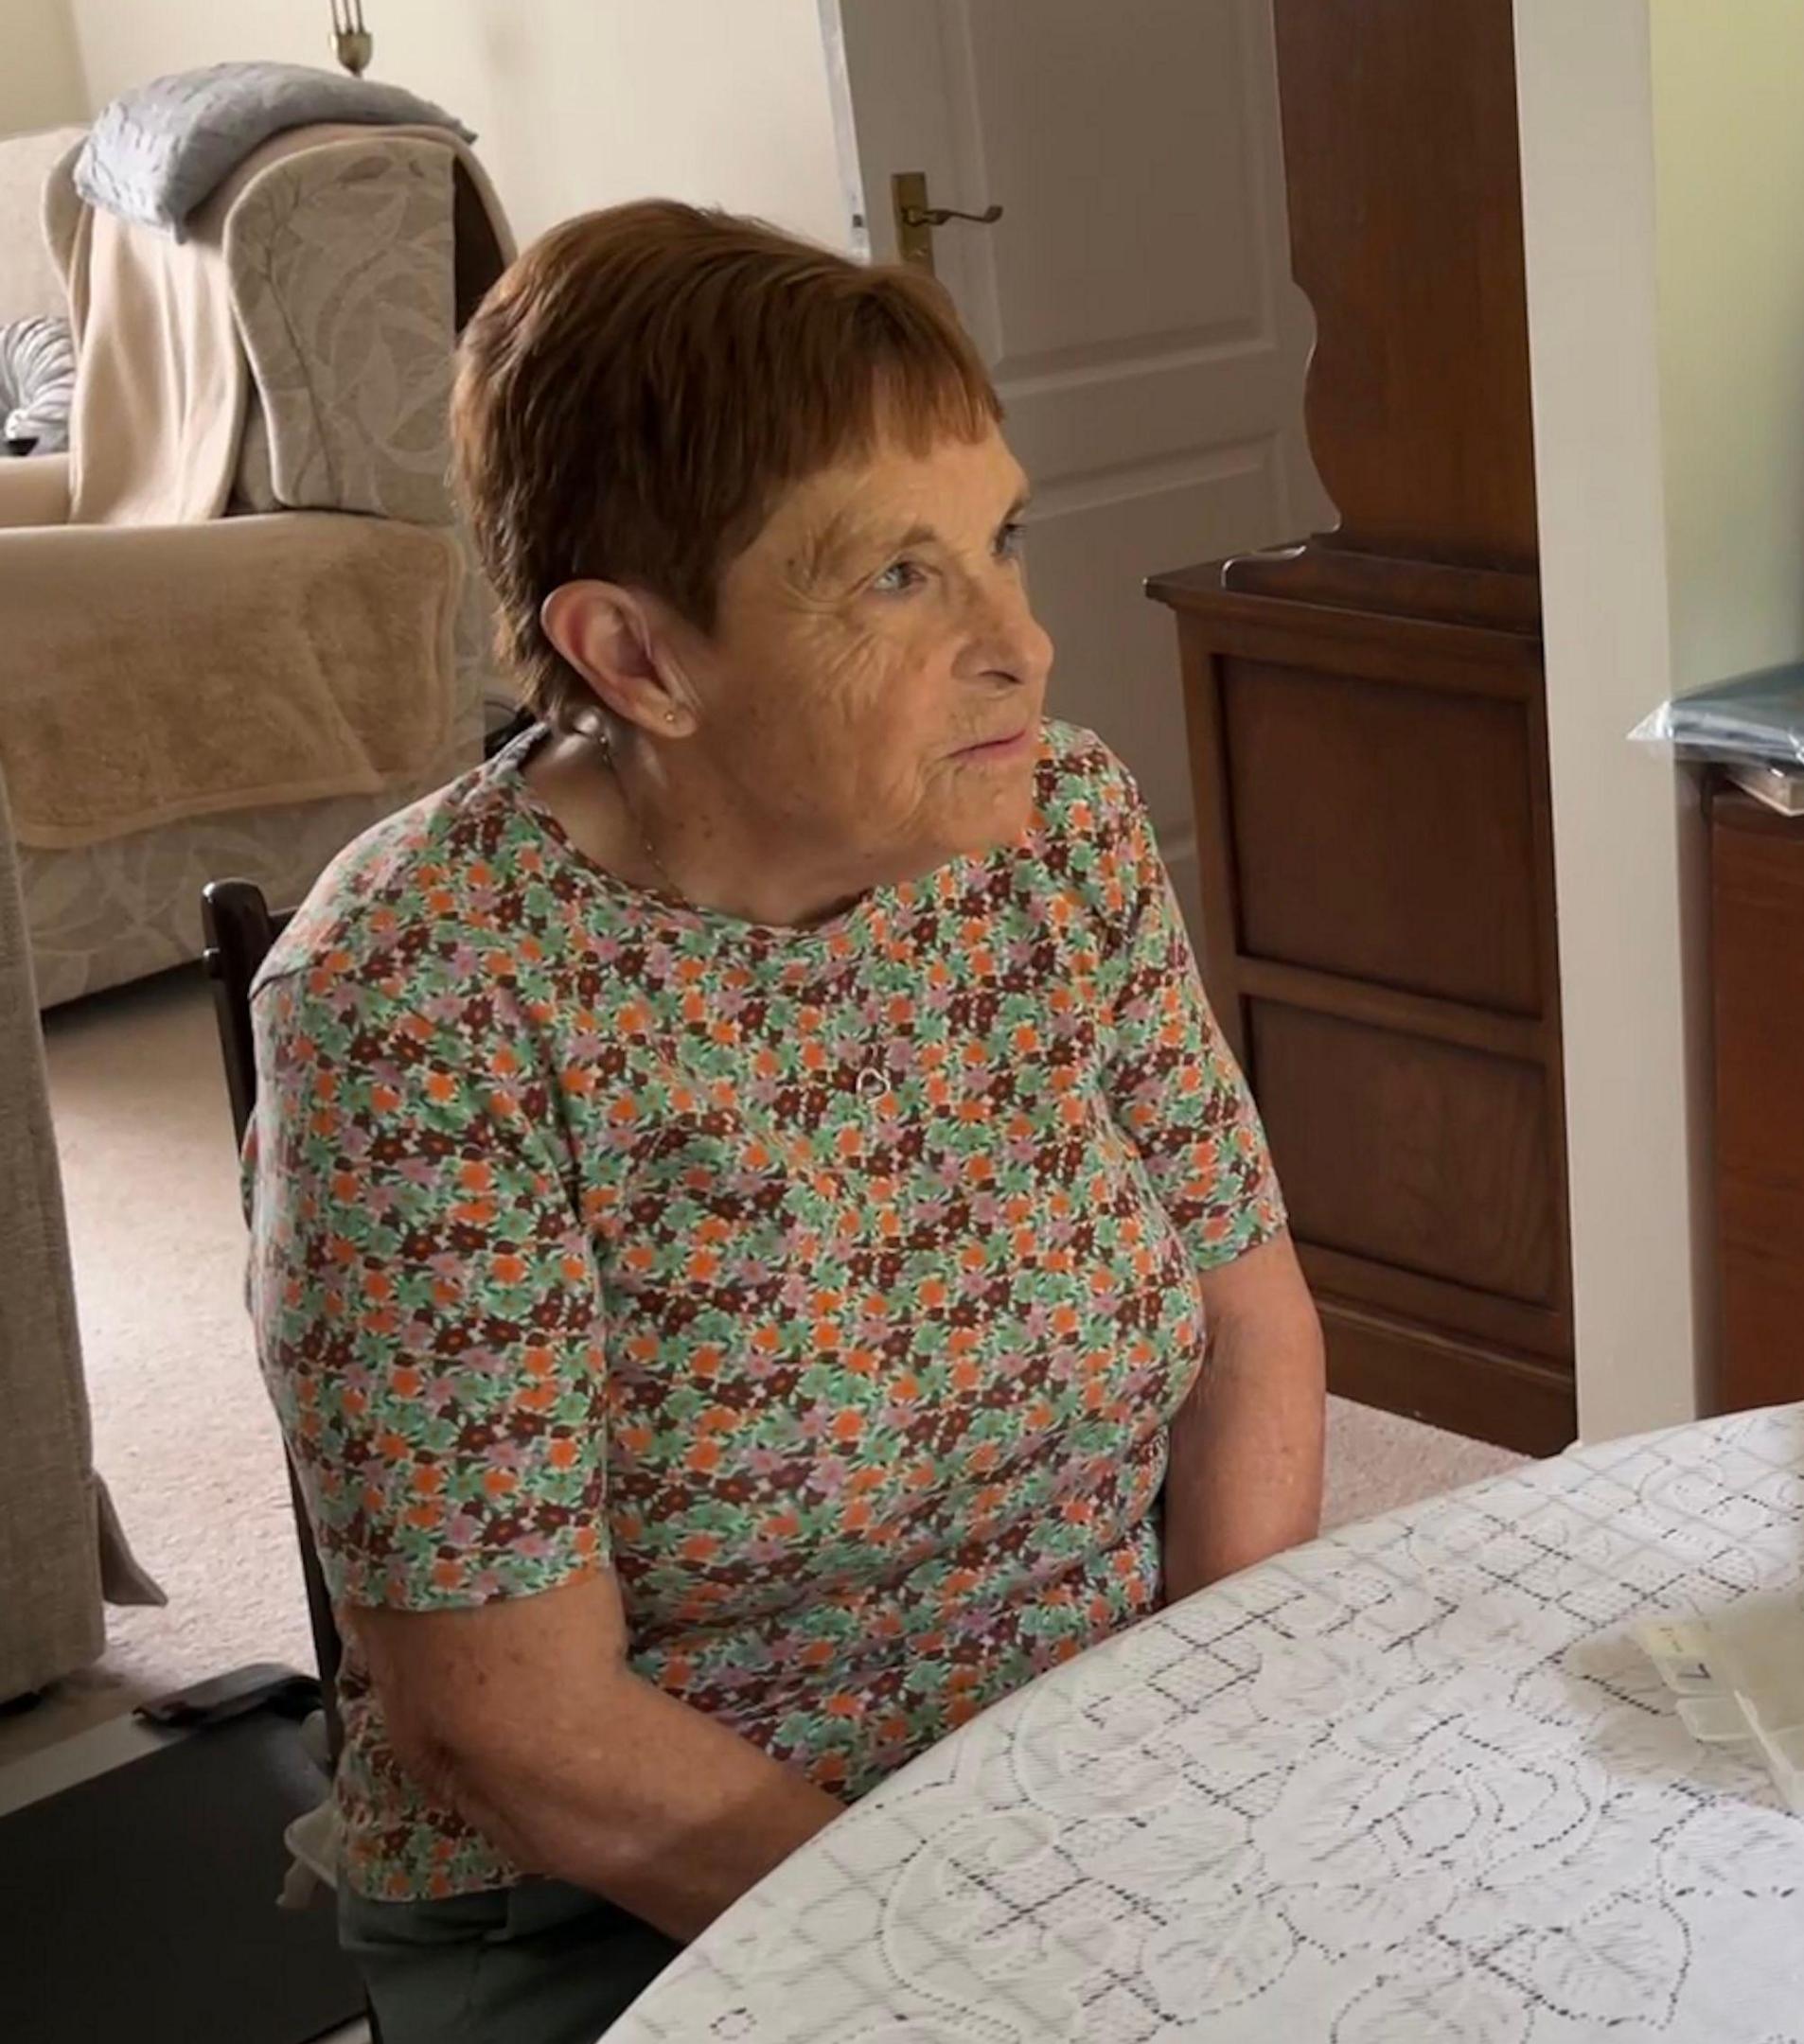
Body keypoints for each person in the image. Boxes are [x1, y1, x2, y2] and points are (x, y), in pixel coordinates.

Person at [244, 202, 1326, 2041]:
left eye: (1001, 542)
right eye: (899, 578)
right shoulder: (423, 993)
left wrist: (1202, 1764)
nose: (1024, 646)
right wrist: (976, 1948)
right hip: (630, 1899)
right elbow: (514, 1723)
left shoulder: (1057, 828)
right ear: (636, 658)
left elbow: (1253, 1323)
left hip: (1088, 1792)